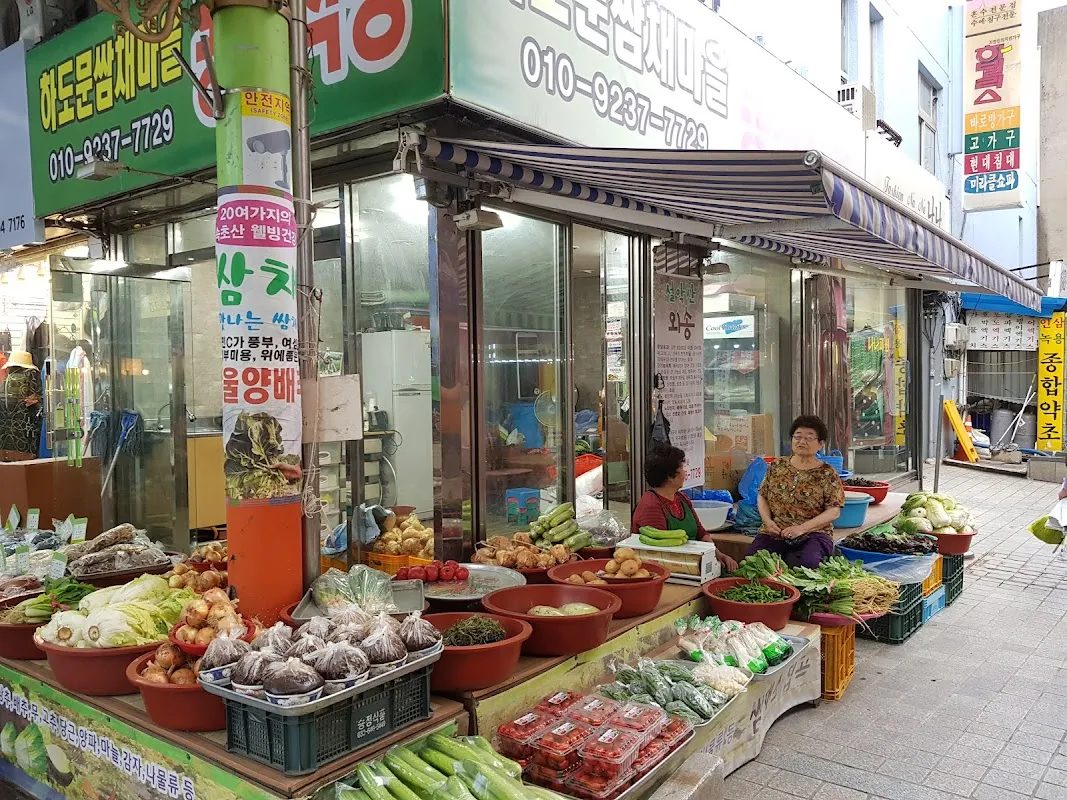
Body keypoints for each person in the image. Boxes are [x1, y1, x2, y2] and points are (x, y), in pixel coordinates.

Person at [747, 415, 845, 568]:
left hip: (814, 533)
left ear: (820, 444)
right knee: (753, 562)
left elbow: (834, 511)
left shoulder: (827, 473)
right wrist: (768, 522)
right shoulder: (777, 466)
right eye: (797, 437)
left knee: (807, 564)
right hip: (776, 531)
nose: (802, 441)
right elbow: (762, 495)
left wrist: (801, 529)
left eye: (809, 438)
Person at [632, 444, 738, 572]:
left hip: (695, 566)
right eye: (682, 468)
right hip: (673, 571)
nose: (685, 473)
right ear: (670, 476)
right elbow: (660, 553)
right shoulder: (651, 506)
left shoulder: (681, 498)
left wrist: (718, 555)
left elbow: (701, 533)